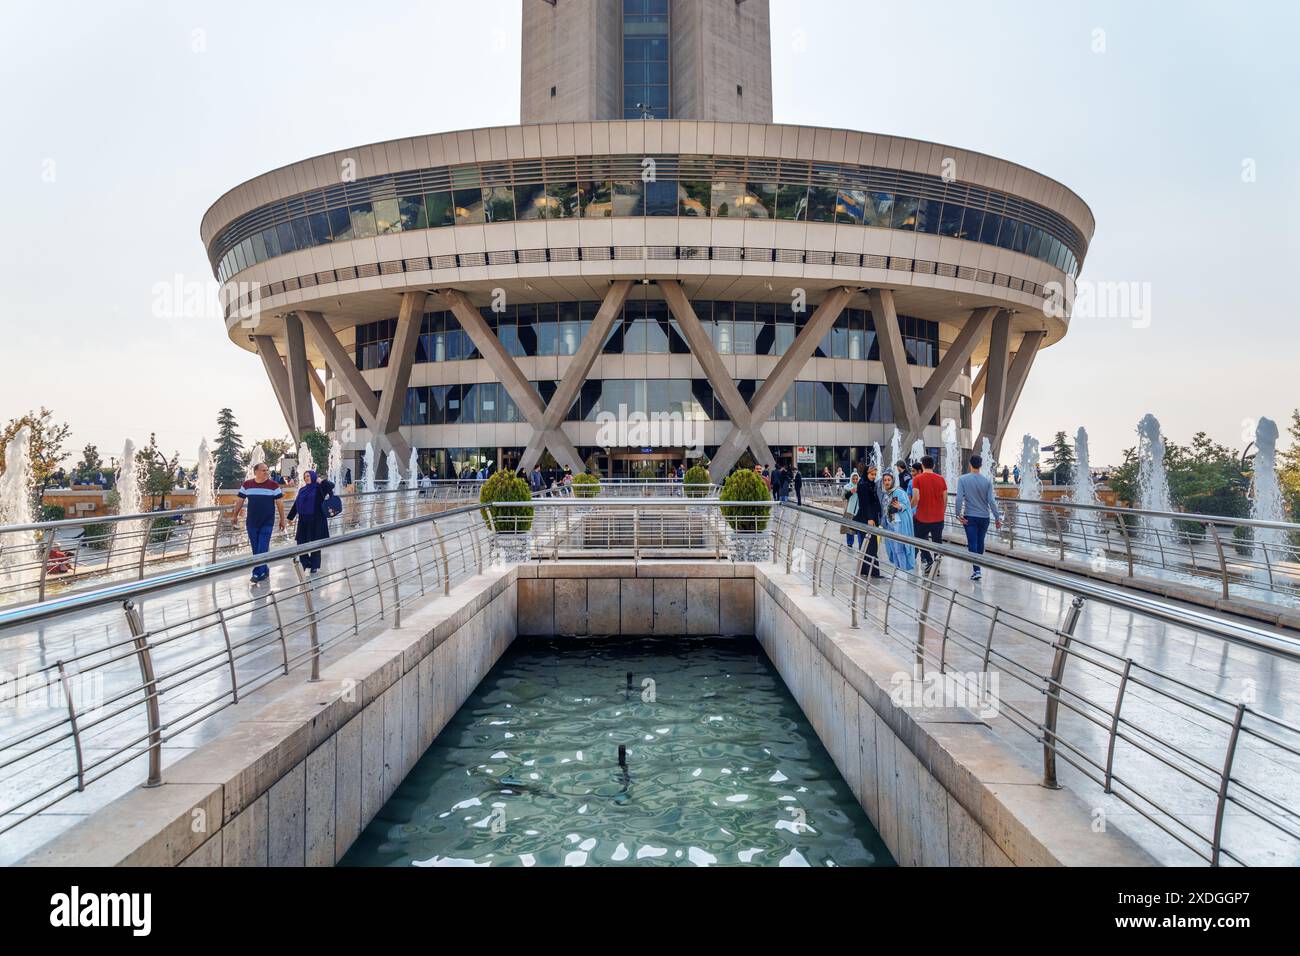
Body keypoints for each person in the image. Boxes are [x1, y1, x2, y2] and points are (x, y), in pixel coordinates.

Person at [229, 462, 285, 585]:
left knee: (262, 546)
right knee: (256, 548)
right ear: (256, 472)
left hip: (267, 522)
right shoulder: (247, 484)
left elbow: (280, 503)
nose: (266, 472)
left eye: (267, 470)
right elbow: (239, 500)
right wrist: (234, 515)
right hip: (252, 522)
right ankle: (264, 569)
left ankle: (256, 572)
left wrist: (282, 519)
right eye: (263, 470)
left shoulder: (273, 485)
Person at [955, 454, 1002, 581]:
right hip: (984, 517)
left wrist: (957, 514)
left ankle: (977, 570)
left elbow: (959, 498)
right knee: (980, 542)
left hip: (970, 516)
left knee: (972, 542)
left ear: (970, 464)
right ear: (981, 465)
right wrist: (997, 518)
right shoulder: (987, 481)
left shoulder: (963, 479)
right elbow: (991, 501)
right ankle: (978, 567)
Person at [909, 455, 947, 573]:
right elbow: (945, 498)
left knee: (919, 540)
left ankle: (930, 562)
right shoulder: (941, 479)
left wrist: (908, 509)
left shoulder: (917, 479)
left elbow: (916, 498)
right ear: (934, 465)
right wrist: (942, 512)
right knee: (937, 543)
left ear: (922, 465)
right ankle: (936, 567)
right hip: (938, 518)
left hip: (922, 518)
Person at [288, 470, 331, 574]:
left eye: (308, 476)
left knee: (315, 543)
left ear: (313, 477)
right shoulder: (302, 490)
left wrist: (320, 481)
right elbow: (296, 504)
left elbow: (330, 486)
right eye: (305, 476)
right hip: (303, 520)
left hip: (317, 520)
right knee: (300, 543)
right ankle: (307, 562)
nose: (306, 478)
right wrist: (290, 517)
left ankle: (314, 566)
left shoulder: (319, 488)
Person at [881, 472, 916, 572]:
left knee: (899, 549)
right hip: (890, 524)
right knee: (893, 549)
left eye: (889, 480)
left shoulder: (899, 492)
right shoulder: (886, 494)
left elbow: (906, 505)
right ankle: (897, 571)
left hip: (899, 524)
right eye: (885, 480)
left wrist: (899, 506)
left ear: (892, 481)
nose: (887, 482)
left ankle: (903, 572)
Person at [853, 463, 883, 578]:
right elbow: (865, 504)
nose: (873, 476)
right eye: (871, 474)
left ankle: (865, 570)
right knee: (871, 545)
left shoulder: (868, 483)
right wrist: (870, 518)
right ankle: (873, 572)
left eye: (875, 474)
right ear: (866, 473)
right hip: (867, 518)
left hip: (869, 517)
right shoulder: (864, 485)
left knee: (868, 544)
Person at [841, 468, 863, 548]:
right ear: (851, 479)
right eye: (853, 479)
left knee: (858, 528)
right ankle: (850, 543)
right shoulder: (847, 487)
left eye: (856, 479)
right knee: (849, 528)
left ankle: (861, 544)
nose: (855, 480)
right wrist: (851, 492)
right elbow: (843, 497)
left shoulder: (861, 487)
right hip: (849, 510)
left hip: (858, 511)